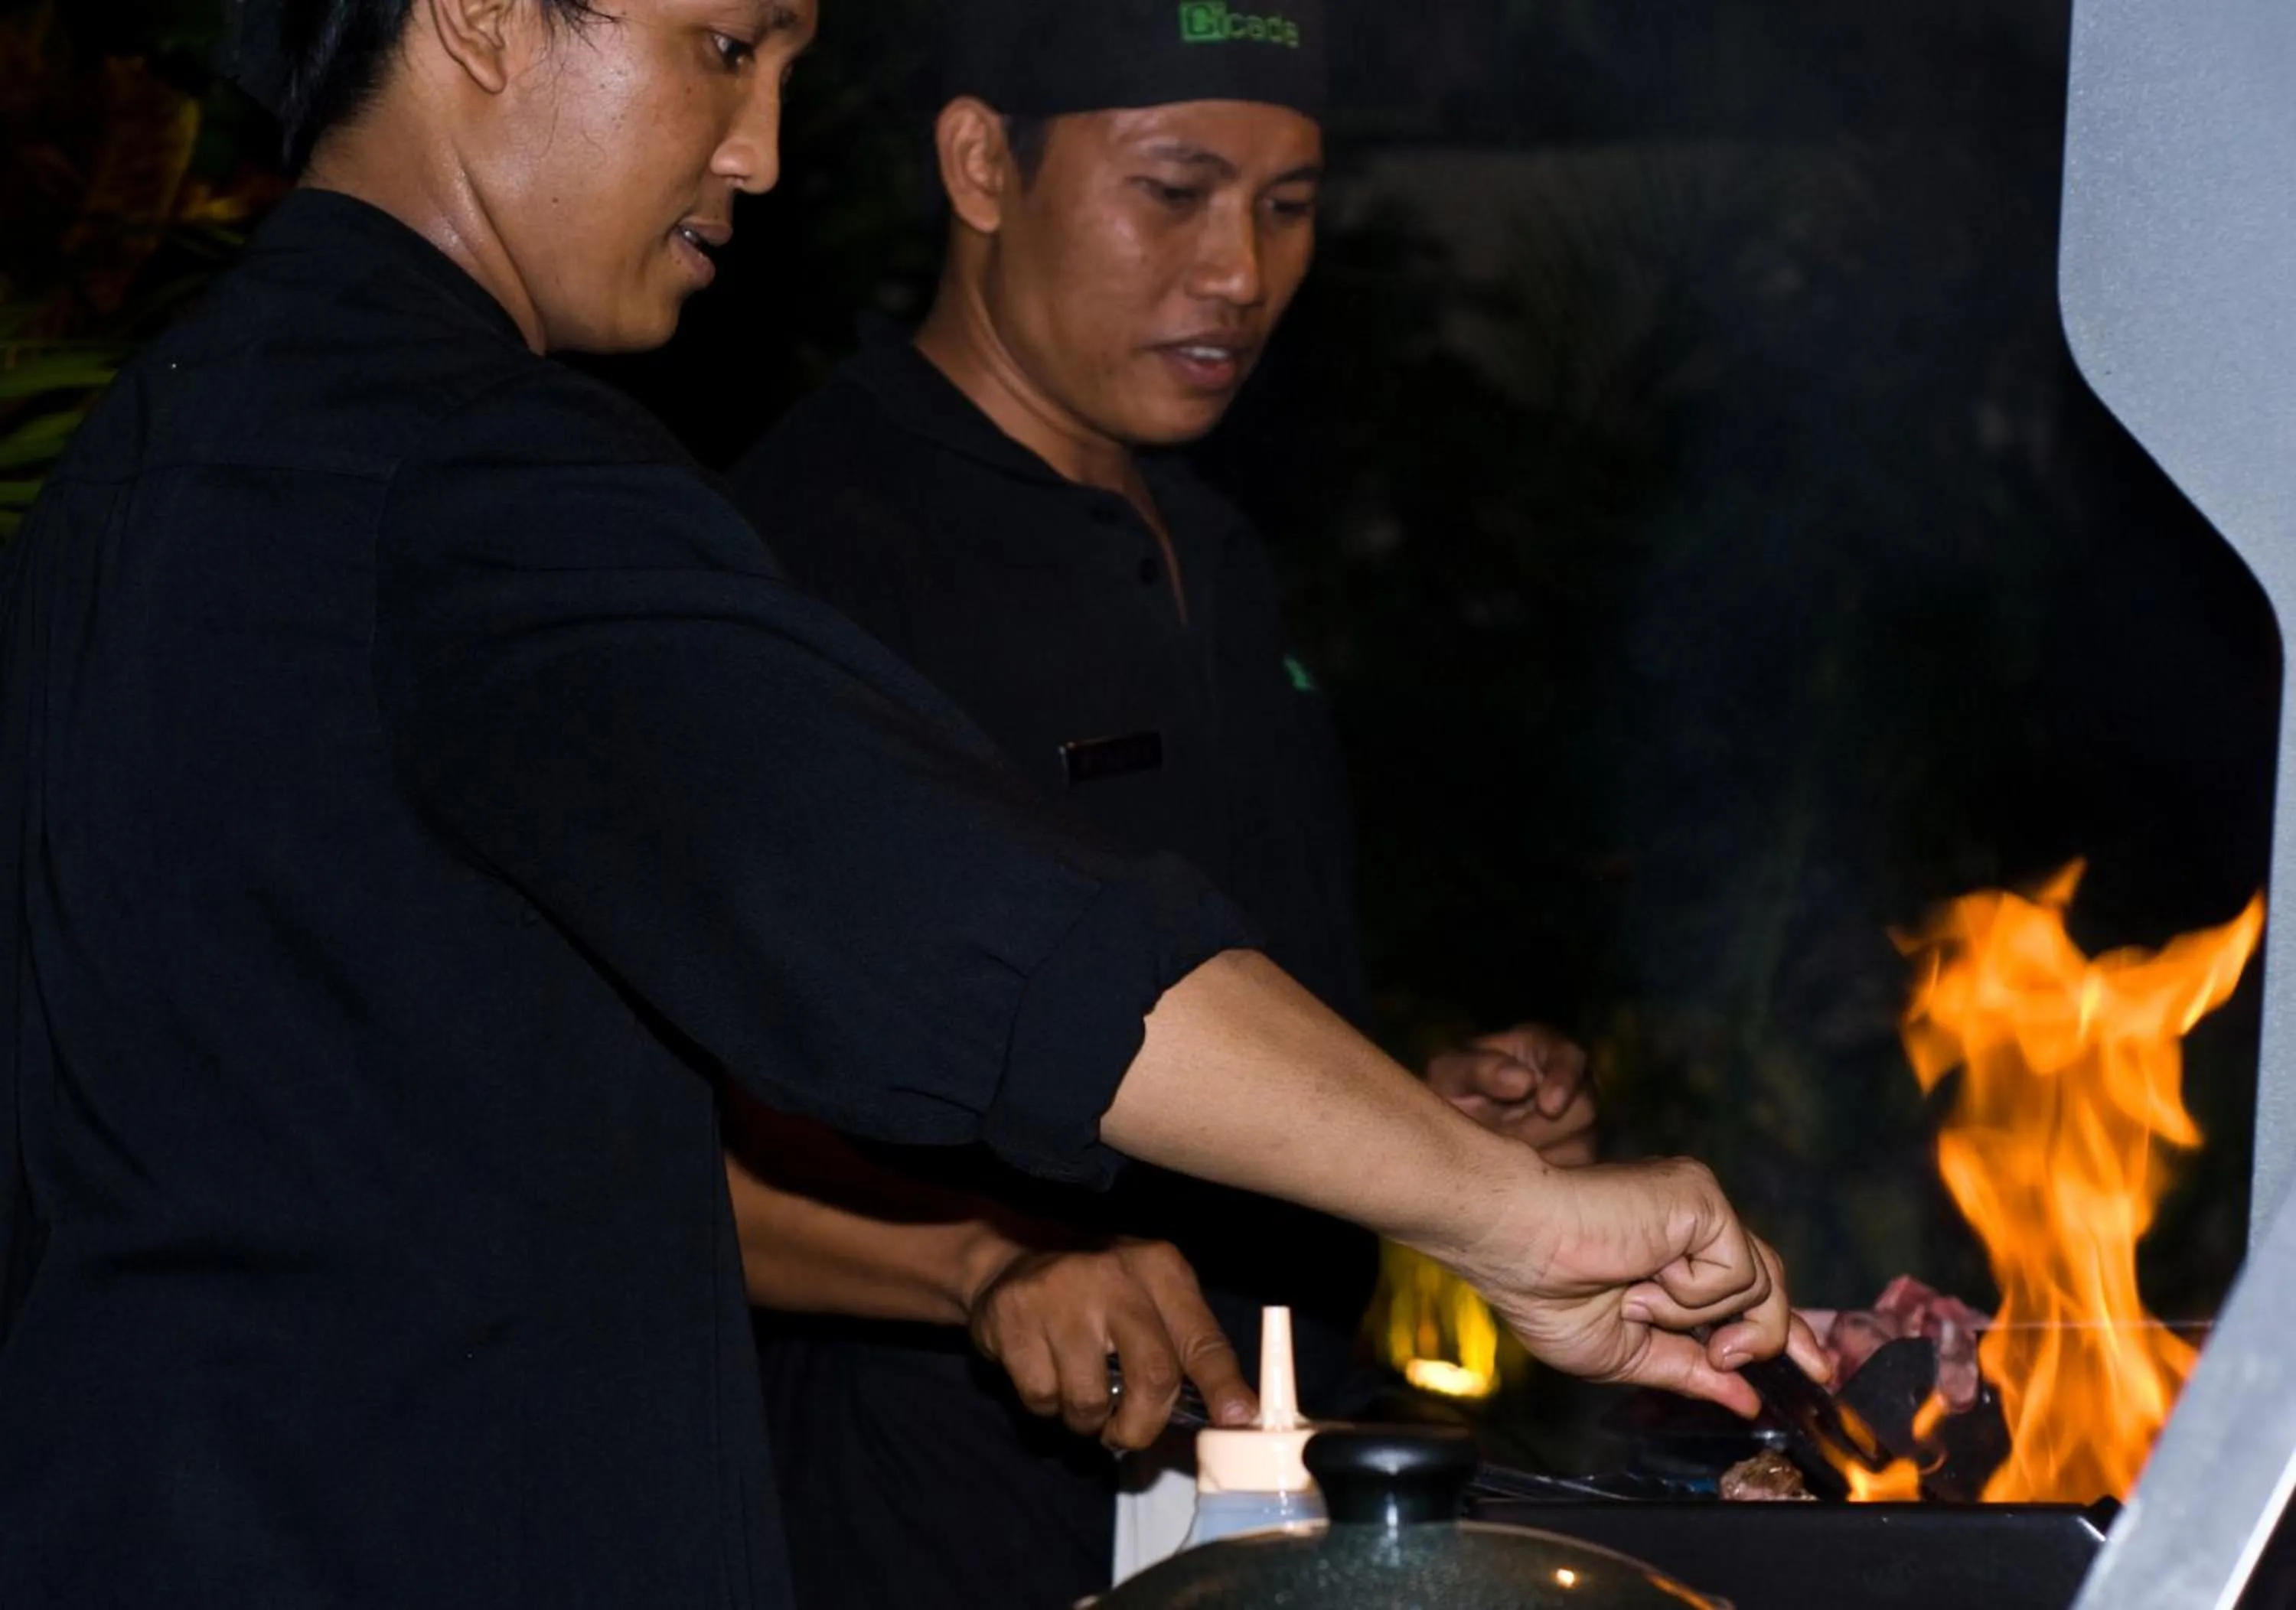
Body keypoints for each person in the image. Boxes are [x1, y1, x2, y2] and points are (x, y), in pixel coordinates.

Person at [0, 1, 1821, 1605]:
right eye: (723, 48)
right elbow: (959, 931)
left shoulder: (157, 448)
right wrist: (1504, 1211)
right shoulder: (469, 466)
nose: (761, 152)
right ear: (479, 18)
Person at [719, 4, 1603, 1603]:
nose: (1242, 272)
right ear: (983, 165)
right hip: (944, 1519)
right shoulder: (811, 558)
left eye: (1289, 204)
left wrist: (1409, 1126)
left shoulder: (1220, 548)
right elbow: (648, 1138)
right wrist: (982, 1265)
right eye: (1175, 191)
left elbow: (1199, 1036)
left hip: (1279, 1500)